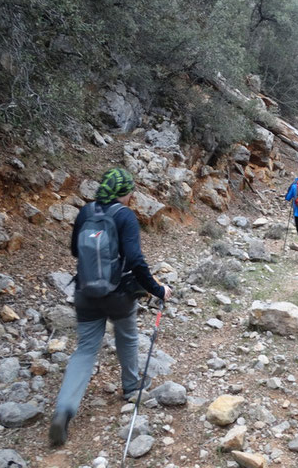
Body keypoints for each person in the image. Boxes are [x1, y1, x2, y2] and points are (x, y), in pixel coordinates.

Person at [49, 167, 172, 446]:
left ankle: (64, 409)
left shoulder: (85, 212)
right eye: (130, 192)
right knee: (127, 336)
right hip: (118, 295)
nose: (131, 197)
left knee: (85, 350)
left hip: (85, 292)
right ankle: (131, 386)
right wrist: (157, 289)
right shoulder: (125, 216)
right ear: (125, 192)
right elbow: (136, 259)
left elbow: (74, 251)